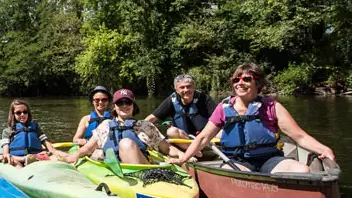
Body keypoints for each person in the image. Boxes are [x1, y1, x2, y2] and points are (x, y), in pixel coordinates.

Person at [169, 64, 335, 173]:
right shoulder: (224, 108)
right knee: (240, 175)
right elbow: (203, 137)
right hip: (238, 160)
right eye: (236, 80)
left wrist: (324, 149)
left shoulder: (272, 107)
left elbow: (300, 137)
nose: (240, 83)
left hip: (270, 159)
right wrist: (183, 159)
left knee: (303, 171)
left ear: (258, 83)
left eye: (246, 79)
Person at [64, 88, 181, 165]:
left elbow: (167, 148)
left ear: (133, 105)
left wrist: (184, 156)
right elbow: (89, 148)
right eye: (120, 103)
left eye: (127, 102)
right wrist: (76, 155)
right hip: (118, 170)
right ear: (114, 106)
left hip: (141, 169)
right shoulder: (105, 126)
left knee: (125, 143)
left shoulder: (145, 126)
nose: (124, 105)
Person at [145, 74, 218, 139]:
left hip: (203, 137)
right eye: (182, 87)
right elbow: (151, 119)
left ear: (194, 87)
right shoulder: (172, 100)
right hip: (184, 138)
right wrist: (137, 129)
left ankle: (198, 150)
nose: (186, 90)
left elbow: (219, 118)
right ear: (176, 90)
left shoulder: (204, 98)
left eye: (189, 86)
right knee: (171, 131)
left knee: (221, 132)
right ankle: (195, 152)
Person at [0, 99, 65, 166]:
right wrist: (24, 159)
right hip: (18, 159)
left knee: (56, 158)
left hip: (37, 157)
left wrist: (55, 153)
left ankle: (72, 159)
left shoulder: (35, 128)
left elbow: (49, 147)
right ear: (13, 114)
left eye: (25, 112)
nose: (22, 114)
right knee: (14, 162)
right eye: (18, 113)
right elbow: (6, 154)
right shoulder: (7, 131)